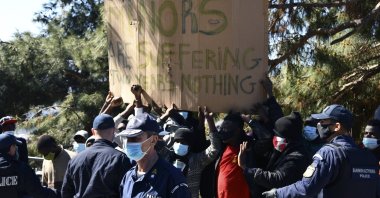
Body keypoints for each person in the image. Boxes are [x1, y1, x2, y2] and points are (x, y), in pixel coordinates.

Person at [263, 104, 380, 198]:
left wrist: (277, 193)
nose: (319, 125)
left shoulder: (329, 153)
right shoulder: (369, 157)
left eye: (323, 122)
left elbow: (307, 188)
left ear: (337, 126)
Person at [118, 113, 191, 198]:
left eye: (135, 138)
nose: (129, 143)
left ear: (153, 140)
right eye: (127, 139)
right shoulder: (128, 176)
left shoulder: (172, 178)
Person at [239, 112, 310, 197]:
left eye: (277, 135)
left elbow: (277, 179)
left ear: (288, 139)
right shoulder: (287, 148)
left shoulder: (296, 158)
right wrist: (258, 120)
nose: (274, 138)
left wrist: (245, 168)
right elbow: (268, 133)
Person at [62, 114, 132, 198]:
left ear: (93, 131)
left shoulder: (74, 160)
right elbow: (127, 191)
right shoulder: (120, 158)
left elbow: (66, 193)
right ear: (114, 130)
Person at [168, 107, 221, 198]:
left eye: (184, 142)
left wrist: (210, 122)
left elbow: (214, 149)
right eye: (178, 141)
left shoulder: (196, 160)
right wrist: (165, 115)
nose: (180, 144)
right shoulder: (166, 158)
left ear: (190, 146)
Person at [0, 133, 59, 197]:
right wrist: (57, 193)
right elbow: (38, 192)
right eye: (15, 146)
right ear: (11, 148)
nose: (16, 149)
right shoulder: (22, 168)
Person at [215, 112, 253, 198]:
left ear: (238, 130)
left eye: (226, 129)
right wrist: (208, 119)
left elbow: (265, 137)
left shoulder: (249, 148)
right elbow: (213, 136)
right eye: (222, 128)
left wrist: (250, 121)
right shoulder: (223, 147)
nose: (222, 132)